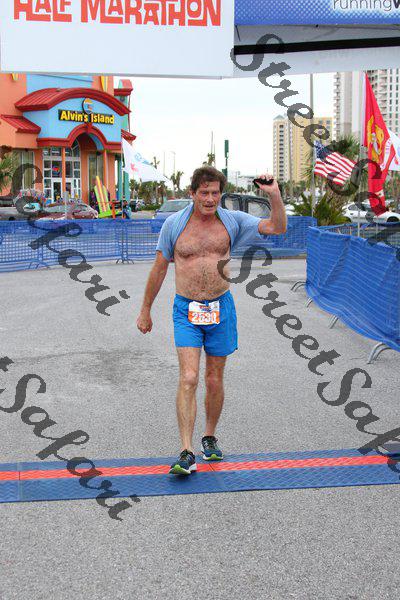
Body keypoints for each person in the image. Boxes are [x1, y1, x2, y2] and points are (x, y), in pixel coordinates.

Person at [136, 166, 286, 476]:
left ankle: (209, 437)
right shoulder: (174, 225)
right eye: (203, 192)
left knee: (214, 379)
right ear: (192, 193)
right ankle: (186, 451)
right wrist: (145, 310)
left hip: (221, 307)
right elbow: (159, 269)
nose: (209, 199)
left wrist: (274, 195)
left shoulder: (232, 221)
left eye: (215, 193)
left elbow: (277, 227)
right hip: (186, 310)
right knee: (189, 377)